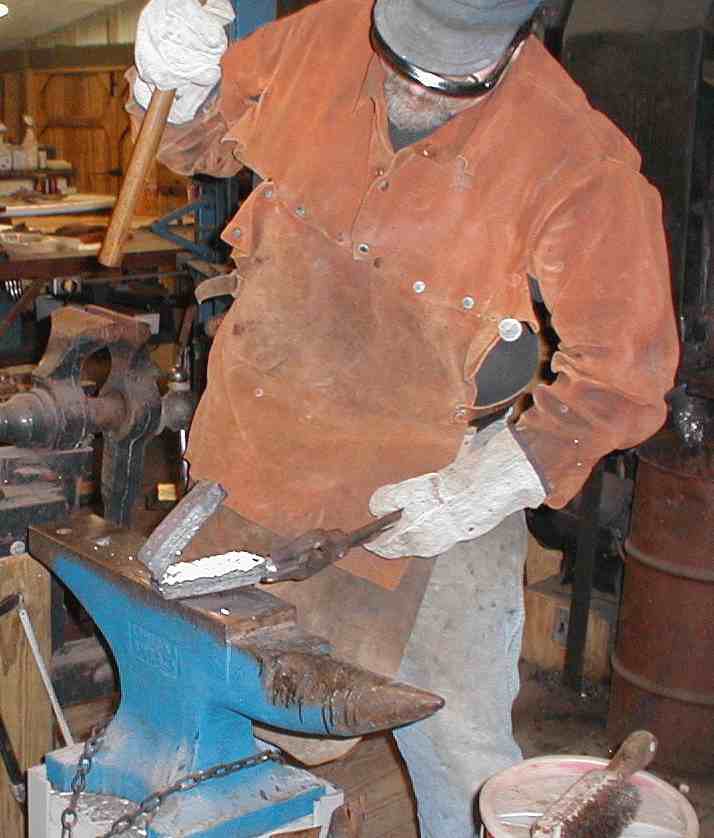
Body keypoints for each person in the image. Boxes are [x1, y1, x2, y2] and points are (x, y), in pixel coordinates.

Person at [129, 0, 678, 834]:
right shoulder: (318, 39)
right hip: (252, 452)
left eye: (454, 80)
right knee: (213, 712)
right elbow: (199, 144)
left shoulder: (575, 156)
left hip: (430, 496)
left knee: (460, 749)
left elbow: (626, 375)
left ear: (517, 40)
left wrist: (496, 481)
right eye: (404, 59)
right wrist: (169, 87)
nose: (415, 94)